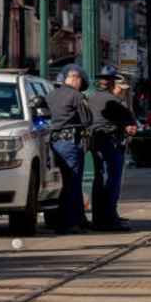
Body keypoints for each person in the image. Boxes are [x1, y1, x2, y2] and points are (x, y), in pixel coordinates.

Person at [88, 66, 138, 231]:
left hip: (96, 143)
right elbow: (128, 117)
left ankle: (98, 219)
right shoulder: (113, 101)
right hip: (111, 144)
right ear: (111, 84)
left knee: (99, 181)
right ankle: (111, 220)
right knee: (112, 182)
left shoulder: (93, 98)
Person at [48, 65, 95, 234]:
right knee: (72, 183)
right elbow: (87, 121)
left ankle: (79, 219)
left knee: (64, 182)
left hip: (54, 143)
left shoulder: (51, 94)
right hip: (70, 143)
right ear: (78, 81)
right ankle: (68, 222)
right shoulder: (77, 96)